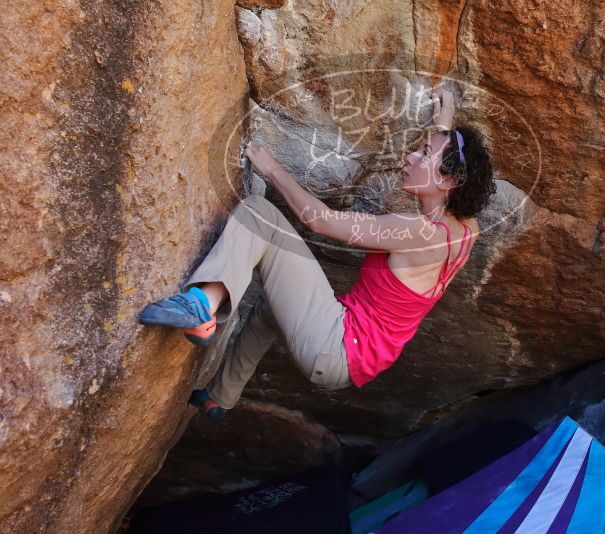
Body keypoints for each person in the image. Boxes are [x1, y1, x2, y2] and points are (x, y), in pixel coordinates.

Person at [138, 90, 495, 419]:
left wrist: (271, 167)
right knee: (269, 311)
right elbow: (454, 169)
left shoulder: (416, 232)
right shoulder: (466, 230)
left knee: (259, 214)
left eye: (424, 154)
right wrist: (444, 121)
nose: (410, 155)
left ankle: (203, 305)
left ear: (448, 180)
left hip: (335, 343)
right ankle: (220, 397)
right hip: (351, 357)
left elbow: (321, 222)